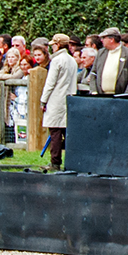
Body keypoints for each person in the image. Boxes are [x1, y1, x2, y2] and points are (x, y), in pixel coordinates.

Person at [42, 33, 77, 170]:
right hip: (69, 99)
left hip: (56, 99)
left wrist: (43, 100)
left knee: (55, 132)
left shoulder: (56, 61)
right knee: (67, 132)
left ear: (57, 45)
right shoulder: (72, 60)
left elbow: (50, 83)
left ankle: (55, 162)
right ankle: (70, 161)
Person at [89, 27, 128, 96]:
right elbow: (93, 73)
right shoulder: (100, 53)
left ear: (111, 39)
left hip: (120, 97)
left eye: (103, 38)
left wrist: (126, 95)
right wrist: (94, 91)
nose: (101, 40)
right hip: (101, 96)